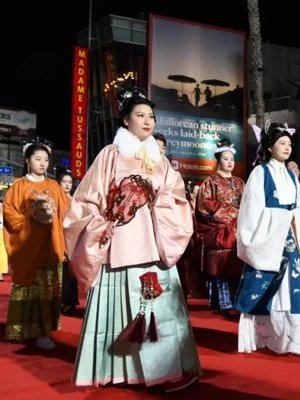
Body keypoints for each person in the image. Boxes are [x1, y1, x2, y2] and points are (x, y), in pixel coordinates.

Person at [63, 86, 201, 391]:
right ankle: (117, 371)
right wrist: (101, 224)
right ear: (126, 119)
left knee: (160, 312)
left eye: (151, 116)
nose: (148, 121)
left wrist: (157, 210)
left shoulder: (159, 161)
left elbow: (175, 198)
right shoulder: (110, 155)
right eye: (140, 115)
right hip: (119, 244)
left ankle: (163, 372)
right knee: (118, 311)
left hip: (152, 243)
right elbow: (86, 200)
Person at [235, 121, 300, 357]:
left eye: (289, 144)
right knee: (270, 288)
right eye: (282, 143)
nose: (287, 147)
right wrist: (282, 216)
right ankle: (267, 336)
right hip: (270, 240)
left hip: (291, 238)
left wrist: (294, 215)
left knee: (294, 290)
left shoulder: (291, 176)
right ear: (270, 147)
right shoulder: (260, 173)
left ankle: (298, 340)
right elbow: (251, 210)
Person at [3, 141, 69, 349]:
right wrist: (30, 221)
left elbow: (67, 214)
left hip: (51, 246)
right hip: (29, 247)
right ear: (27, 160)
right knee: (30, 289)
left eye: (46, 160)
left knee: (48, 292)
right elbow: (10, 214)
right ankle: (23, 330)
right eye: (38, 159)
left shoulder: (54, 187)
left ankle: (44, 332)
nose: (42, 164)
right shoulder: (18, 187)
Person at [195, 139, 245, 313]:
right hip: (221, 231)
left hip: (239, 230)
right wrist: (233, 212)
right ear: (218, 160)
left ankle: (238, 300)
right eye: (226, 158)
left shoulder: (240, 182)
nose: (230, 162)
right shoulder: (210, 182)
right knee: (222, 265)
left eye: (232, 158)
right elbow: (204, 206)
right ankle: (222, 302)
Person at [57, 170, 79, 315]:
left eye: (69, 182)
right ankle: (58, 301)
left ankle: (70, 302)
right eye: (64, 182)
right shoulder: (55, 199)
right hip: (59, 239)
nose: (67, 185)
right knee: (60, 273)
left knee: (71, 274)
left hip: (72, 241)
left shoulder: (75, 201)